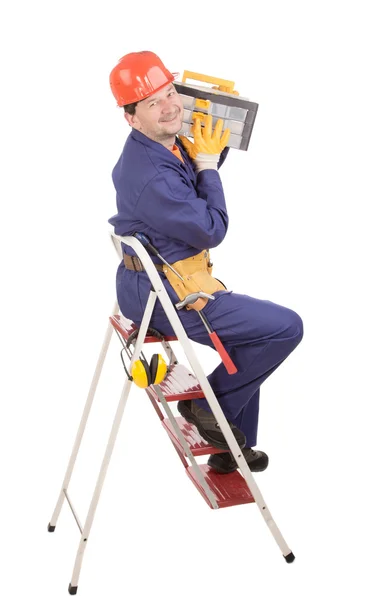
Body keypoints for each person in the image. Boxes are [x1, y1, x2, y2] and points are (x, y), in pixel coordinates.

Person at [108, 51, 303, 474]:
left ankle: (229, 444)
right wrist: (209, 164)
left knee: (252, 339)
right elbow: (212, 227)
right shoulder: (153, 175)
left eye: (170, 92)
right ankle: (207, 407)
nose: (170, 106)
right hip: (164, 294)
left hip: (165, 277)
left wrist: (212, 148)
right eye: (153, 102)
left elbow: (191, 183)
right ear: (131, 117)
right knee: (286, 327)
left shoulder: (161, 144)